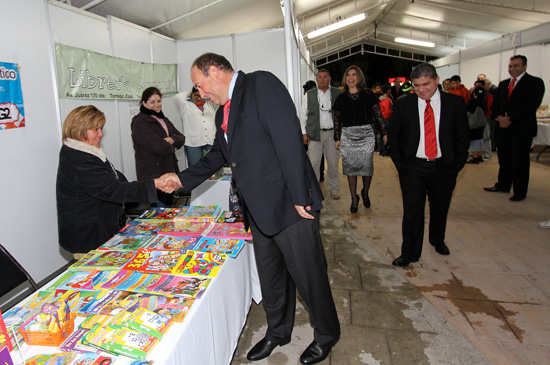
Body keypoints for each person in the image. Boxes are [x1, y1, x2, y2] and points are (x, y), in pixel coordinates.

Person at [161, 53, 340, 364]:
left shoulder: (260, 84)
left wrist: (301, 196)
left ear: (215, 71)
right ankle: (278, 330)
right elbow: (217, 155)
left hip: (289, 203)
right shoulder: (221, 114)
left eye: (201, 85)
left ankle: (326, 333)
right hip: (258, 209)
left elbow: (288, 139)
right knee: (272, 277)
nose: (201, 94)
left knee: (309, 275)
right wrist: (179, 179)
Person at [56, 106, 171, 259]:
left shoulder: (83, 152)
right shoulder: (79, 159)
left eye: (101, 128)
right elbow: (114, 190)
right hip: (89, 238)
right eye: (95, 129)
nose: (100, 134)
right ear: (79, 129)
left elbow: (112, 179)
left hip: (99, 231)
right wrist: (155, 183)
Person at [387, 63, 469, 267]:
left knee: (440, 206)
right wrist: (400, 163)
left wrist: (455, 164)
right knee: (413, 210)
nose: (421, 90)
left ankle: (437, 240)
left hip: (444, 166)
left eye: (426, 84)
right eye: (416, 86)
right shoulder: (403, 104)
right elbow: (394, 135)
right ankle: (410, 253)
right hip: (412, 167)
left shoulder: (455, 103)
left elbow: (462, 137)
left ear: (437, 80)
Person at [484, 55, 545, 201]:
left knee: (520, 161)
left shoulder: (534, 83)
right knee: (504, 159)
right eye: (510, 66)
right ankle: (503, 184)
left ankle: (519, 191)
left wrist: (509, 119)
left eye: (516, 66)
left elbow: (532, 105)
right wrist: (499, 118)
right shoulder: (504, 84)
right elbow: (495, 105)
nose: (512, 69)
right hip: (503, 128)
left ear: (524, 66)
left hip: (521, 128)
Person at [332, 66, 387, 213]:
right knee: (350, 168)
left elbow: (378, 115)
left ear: (359, 77)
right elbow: (337, 119)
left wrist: (384, 132)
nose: (351, 77)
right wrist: (337, 138)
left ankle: (365, 192)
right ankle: (354, 198)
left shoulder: (369, 95)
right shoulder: (341, 98)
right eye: (348, 75)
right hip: (348, 136)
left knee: (367, 167)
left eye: (354, 75)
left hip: (366, 135)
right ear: (345, 78)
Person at [131, 87, 185, 207]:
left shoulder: (162, 119)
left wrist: (170, 140)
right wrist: (172, 147)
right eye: (152, 102)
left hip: (168, 171)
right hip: (152, 174)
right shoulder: (139, 122)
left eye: (158, 101)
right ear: (144, 103)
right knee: (159, 212)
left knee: (168, 208)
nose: (156, 105)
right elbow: (158, 147)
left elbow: (181, 137)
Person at [300, 69, 342, 200]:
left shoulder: (338, 93)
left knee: (333, 163)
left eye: (325, 77)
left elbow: (343, 115)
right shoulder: (309, 95)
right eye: (319, 77)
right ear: (316, 79)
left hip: (332, 133)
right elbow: (303, 115)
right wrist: (303, 133)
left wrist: (341, 135)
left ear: (329, 79)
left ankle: (334, 189)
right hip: (314, 134)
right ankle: (313, 190)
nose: (322, 80)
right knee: (314, 164)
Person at [174, 87, 218, 167]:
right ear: (192, 94)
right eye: (196, 95)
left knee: (211, 167)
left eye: (202, 96)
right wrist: (190, 92)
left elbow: (217, 96)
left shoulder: (210, 104)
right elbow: (178, 97)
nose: (199, 98)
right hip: (193, 143)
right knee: (195, 168)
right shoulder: (185, 105)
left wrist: (207, 93)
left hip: (210, 140)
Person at [466, 86, 487, 164]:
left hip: (473, 123)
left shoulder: (473, 102)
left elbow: (467, 110)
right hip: (482, 123)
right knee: (480, 139)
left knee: (474, 140)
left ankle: (475, 157)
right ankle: (480, 156)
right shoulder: (484, 101)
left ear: (474, 94)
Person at [379, 83, 393, 157]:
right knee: (386, 135)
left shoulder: (379, 98)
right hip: (386, 119)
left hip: (380, 119)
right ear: (388, 90)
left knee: (382, 135)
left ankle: (381, 151)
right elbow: (388, 111)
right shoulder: (388, 100)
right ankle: (385, 151)